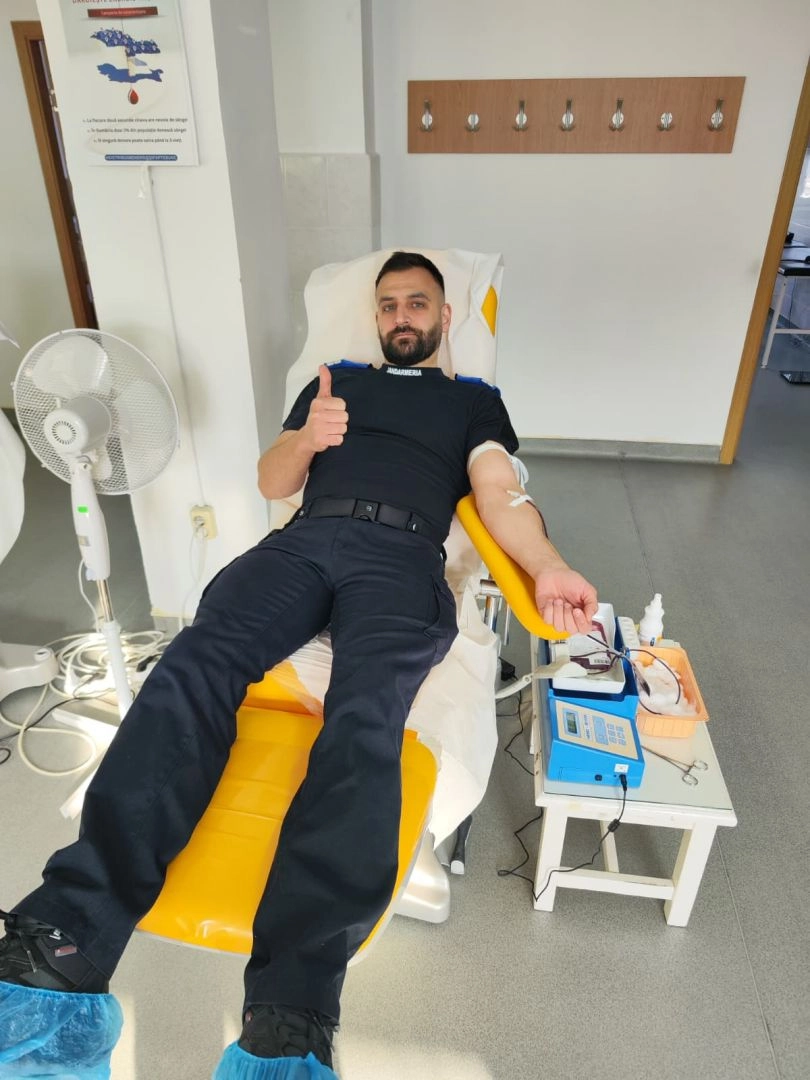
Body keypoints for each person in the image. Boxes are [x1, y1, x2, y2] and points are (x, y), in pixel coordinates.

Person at [0, 251, 597, 1073]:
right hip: (303, 545)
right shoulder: (335, 382)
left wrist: (549, 565)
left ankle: (291, 1009)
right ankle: (63, 939)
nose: (401, 316)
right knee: (193, 665)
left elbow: (500, 495)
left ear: (445, 315)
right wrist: (309, 437)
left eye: (418, 302)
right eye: (388, 304)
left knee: (363, 719)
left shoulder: (472, 400)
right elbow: (271, 477)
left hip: (401, 558)